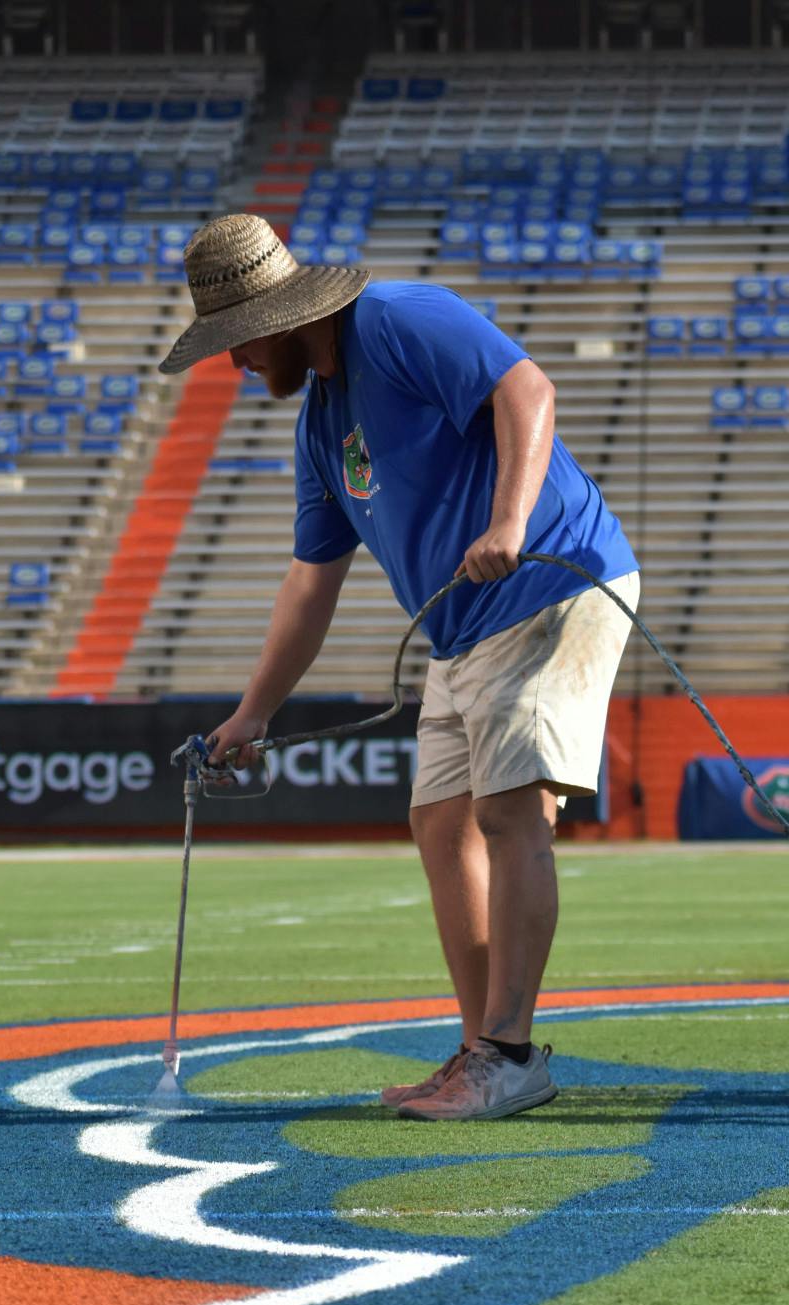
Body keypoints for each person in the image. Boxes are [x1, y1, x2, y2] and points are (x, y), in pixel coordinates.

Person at [159, 213, 640, 1121]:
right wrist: (253, 713)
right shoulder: (318, 427)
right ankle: (482, 1051)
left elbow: (527, 392)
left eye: (237, 346)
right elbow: (312, 581)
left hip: (551, 582)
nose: (236, 366)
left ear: (275, 320)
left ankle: (505, 1054)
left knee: (507, 810)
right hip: (459, 631)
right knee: (436, 822)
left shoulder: (399, 317)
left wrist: (507, 522)